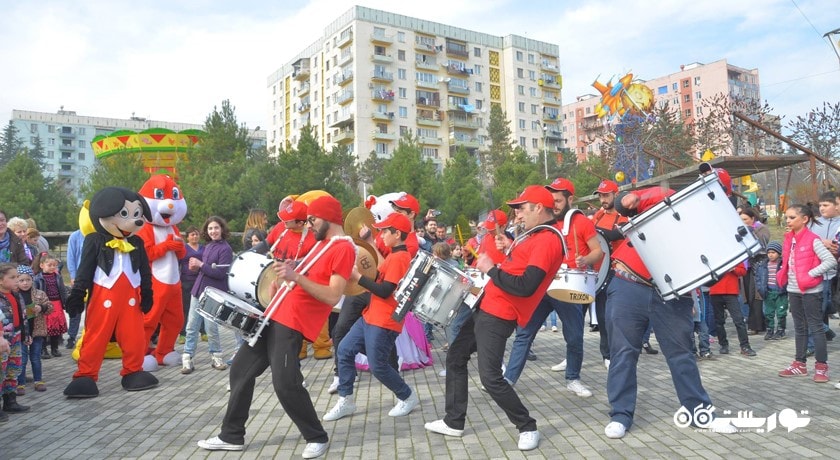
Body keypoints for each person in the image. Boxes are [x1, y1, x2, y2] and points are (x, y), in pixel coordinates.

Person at [197, 195, 355, 458]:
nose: (310, 225)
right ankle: (231, 435)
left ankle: (316, 436)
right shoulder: (322, 244)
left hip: (293, 322)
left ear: (328, 218)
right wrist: (286, 279)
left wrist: (295, 277)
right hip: (274, 314)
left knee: (285, 383)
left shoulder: (343, 248)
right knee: (240, 370)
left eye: (313, 220)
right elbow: (302, 280)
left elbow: (332, 296)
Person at [425, 185, 565, 451]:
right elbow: (519, 267)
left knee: (490, 378)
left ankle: (527, 426)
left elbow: (526, 286)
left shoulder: (547, 239)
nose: (517, 216)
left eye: (522, 209)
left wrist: (490, 269)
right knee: (455, 358)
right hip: (487, 306)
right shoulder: (534, 236)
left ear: (538, 207)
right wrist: (509, 249)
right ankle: (454, 421)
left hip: (501, 314)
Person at [603, 187, 737, 439]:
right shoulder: (674, 196)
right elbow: (625, 203)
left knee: (681, 354)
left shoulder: (719, 226)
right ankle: (620, 414)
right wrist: (630, 200)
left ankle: (700, 412)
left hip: (675, 292)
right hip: (629, 282)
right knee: (622, 352)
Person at [505, 177, 602, 398]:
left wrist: (585, 260)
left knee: (574, 336)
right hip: (543, 285)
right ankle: (509, 378)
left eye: (558, 200)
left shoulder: (581, 222)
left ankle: (573, 378)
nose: (554, 204)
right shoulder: (542, 223)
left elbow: (597, 251)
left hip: (567, 286)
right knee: (524, 333)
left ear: (570, 199)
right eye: (552, 200)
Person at [324, 212, 419, 421]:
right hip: (370, 317)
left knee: (378, 366)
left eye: (386, 231)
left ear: (397, 234)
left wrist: (357, 277)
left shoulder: (400, 258)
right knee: (345, 349)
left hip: (384, 321)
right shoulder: (393, 256)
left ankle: (407, 396)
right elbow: (379, 279)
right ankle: (346, 399)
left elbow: (385, 290)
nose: (381, 234)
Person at [778, 204, 837, 382]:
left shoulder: (813, 239)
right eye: (787, 217)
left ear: (804, 219)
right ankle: (799, 364)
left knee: (816, 327)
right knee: (799, 327)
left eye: (792, 217)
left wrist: (810, 274)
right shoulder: (789, 238)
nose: (788, 221)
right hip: (793, 290)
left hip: (811, 291)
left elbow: (830, 260)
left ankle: (821, 367)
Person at [181, 216, 233, 373]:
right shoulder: (208, 246)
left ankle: (216, 357)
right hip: (198, 291)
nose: (213, 231)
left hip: (213, 294)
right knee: (191, 326)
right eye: (210, 228)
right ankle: (188, 358)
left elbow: (220, 273)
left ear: (222, 229)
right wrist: (196, 268)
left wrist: (201, 265)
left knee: (211, 328)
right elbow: (206, 269)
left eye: (216, 228)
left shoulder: (226, 249)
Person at [590, 179, 627, 368]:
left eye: (606, 195)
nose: (603, 199)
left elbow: (615, 235)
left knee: (612, 317)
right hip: (599, 272)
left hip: (617, 272)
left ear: (616, 194)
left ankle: (613, 352)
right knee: (597, 316)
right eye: (601, 196)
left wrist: (590, 229)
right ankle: (603, 353)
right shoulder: (597, 215)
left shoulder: (623, 216)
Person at [15, 265, 52, 394]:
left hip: (37, 331)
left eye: (28, 280)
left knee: (35, 357)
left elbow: (50, 307)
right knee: (22, 358)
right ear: (16, 281)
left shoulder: (39, 294)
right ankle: (20, 383)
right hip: (21, 333)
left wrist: (41, 307)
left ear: (32, 280)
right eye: (21, 280)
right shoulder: (14, 295)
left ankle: (38, 380)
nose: (25, 283)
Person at [1, 263, 30, 417]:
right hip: (2, 339)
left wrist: (26, 334)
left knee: (14, 368)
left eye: (17, 277)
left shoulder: (16, 295)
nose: (16, 281)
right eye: (12, 277)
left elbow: (23, 315)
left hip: (16, 336)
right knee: (1, 370)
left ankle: (10, 401)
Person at [709, 262, 756, 356]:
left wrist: (733, 268)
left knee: (739, 320)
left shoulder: (732, 254)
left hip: (731, 291)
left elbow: (743, 271)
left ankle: (745, 346)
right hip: (715, 291)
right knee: (719, 321)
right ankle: (723, 345)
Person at [33, 252, 67, 357]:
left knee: (55, 328)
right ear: (42, 265)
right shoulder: (37, 278)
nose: (52, 267)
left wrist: (65, 303)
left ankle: (54, 348)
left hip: (57, 304)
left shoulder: (58, 276)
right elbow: (35, 292)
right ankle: (43, 349)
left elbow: (62, 290)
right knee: (44, 328)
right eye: (49, 265)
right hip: (45, 305)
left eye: (54, 265)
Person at [178, 226, 204, 344]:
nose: (195, 236)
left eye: (196, 234)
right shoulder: (183, 249)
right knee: (186, 307)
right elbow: (177, 264)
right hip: (186, 281)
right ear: (187, 237)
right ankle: (183, 333)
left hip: (201, 280)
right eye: (192, 234)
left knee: (203, 307)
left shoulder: (204, 248)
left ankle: (204, 332)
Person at [763, 241, 788, 340]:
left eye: (773, 252)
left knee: (781, 312)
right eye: (769, 253)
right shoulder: (764, 265)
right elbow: (760, 278)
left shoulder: (783, 264)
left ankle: (781, 330)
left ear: (779, 253)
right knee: (768, 312)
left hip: (780, 292)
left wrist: (785, 287)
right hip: (768, 292)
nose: (770, 255)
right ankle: (769, 330)